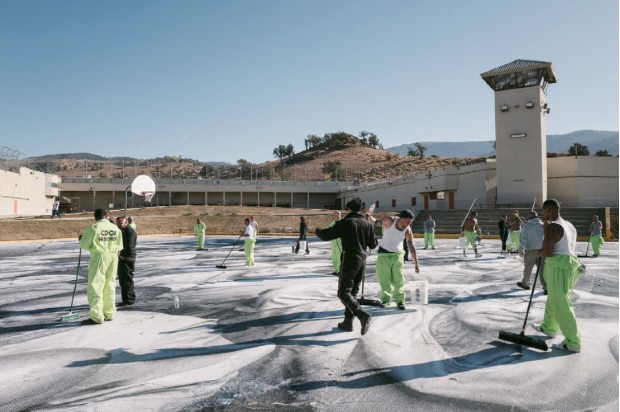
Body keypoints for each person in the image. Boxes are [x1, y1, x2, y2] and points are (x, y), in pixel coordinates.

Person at [315, 197, 377, 335]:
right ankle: (348, 322)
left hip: (350, 259)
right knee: (352, 293)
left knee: (343, 292)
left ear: (349, 208)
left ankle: (362, 315)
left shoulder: (346, 222)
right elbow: (373, 244)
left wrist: (317, 230)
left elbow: (327, 235)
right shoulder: (367, 224)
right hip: (363, 260)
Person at [534, 199, 583, 353]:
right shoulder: (569, 225)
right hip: (570, 266)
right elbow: (567, 248)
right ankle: (549, 327)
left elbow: (548, 251)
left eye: (544, 211)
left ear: (549, 210)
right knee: (554, 298)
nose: (543, 214)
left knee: (561, 304)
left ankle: (573, 341)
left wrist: (537, 252)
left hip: (557, 267)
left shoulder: (553, 227)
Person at [367, 209, 420, 310]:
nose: (408, 224)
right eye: (408, 222)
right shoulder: (390, 221)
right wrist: (369, 215)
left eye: (410, 223)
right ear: (401, 218)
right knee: (384, 279)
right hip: (383, 255)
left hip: (397, 256)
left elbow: (411, 246)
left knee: (398, 280)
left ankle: (400, 301)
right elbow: (376, 222)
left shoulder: (408, 230)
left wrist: (416, 263)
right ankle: (386, 300)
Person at [78, 208, 123, 325]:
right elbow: (120, 245)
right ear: (107, 216)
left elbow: (84, 244)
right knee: (110, 284)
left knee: (96, 285)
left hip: (100, 257)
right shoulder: (115, 228)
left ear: (95, 217)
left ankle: (97, 316)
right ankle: (109, 313)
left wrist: (81, 239)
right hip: (113, 257)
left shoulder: (94, 228)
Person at [517, 211, 546, 294]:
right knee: (542, 270)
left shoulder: (527, 226)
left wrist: (521, 249)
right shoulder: (542, 225)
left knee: (528, 268)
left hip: (531, 250)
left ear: (529, 217)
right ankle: (546, 287)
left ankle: (525, 284)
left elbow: (523, 239)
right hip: (542, 250)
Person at [116, 216, 137, 307]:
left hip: (127, 258)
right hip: (124, 258)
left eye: (120, 223)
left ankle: (129, 299)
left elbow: (130, 247)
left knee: (127, 279)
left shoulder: (129, 232)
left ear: (126, 223)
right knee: (123, 279)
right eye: (118, 224)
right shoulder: (124, 231)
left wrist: (123, 256)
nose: (118, 225)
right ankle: (127, 298)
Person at [327, 211, 342, 276]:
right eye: (333, 215)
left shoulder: (343, 223)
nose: (334, 216)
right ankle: (336, 270)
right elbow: (328, 231)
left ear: (339, 215)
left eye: (335, 215)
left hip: (339, 243)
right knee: (334, 257)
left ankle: (340, 271)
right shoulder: (331, 224)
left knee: (339, 258)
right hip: (333, 243)